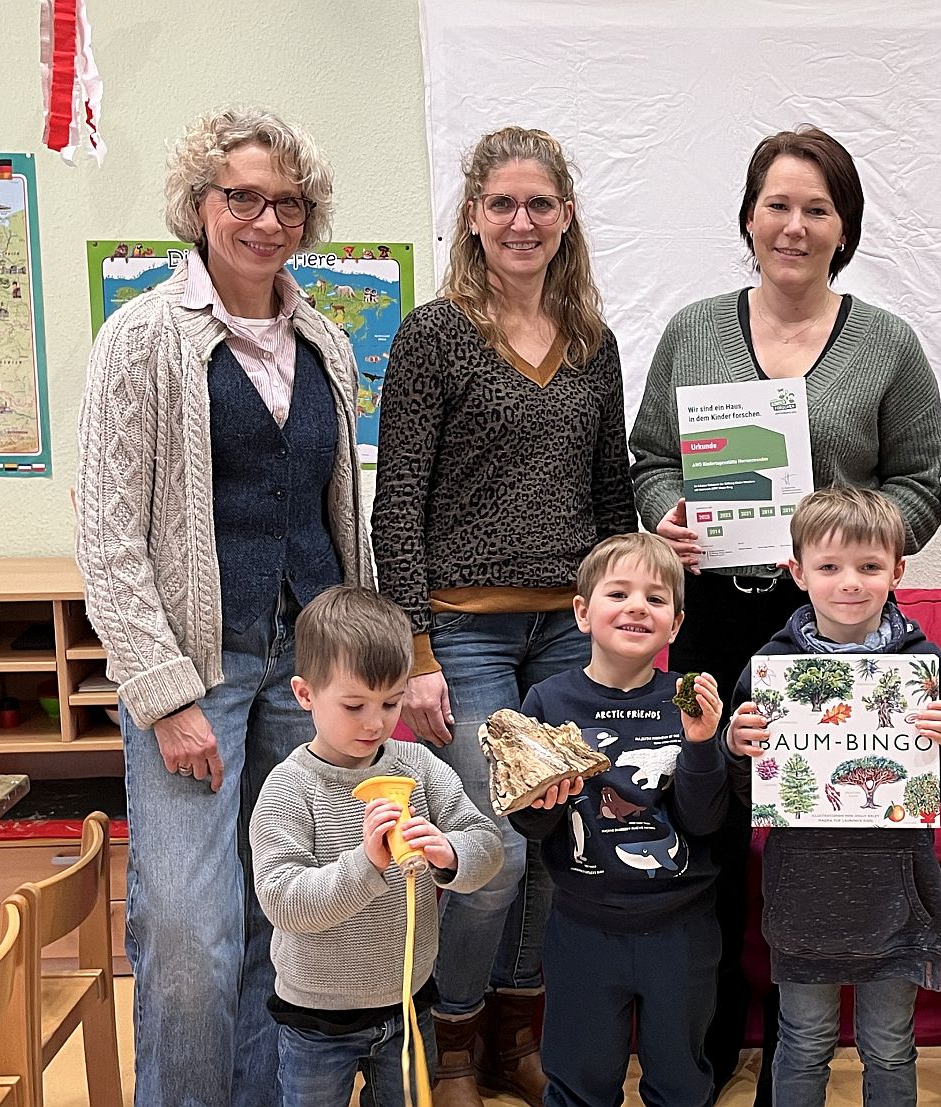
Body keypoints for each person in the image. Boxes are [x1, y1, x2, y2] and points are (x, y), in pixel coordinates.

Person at [629, 126, 941, 1095]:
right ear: (749, 216)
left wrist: (844, 550)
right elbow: (649, 461)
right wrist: (667, 518)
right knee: (710, 827)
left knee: (834, 824)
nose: (795, 225)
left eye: (817, 207)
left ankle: (834, 1033)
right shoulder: (693, 329)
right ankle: (722, 1032)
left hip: (841, 634)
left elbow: (923, 486)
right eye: (778, 204)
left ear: (843, 226)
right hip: (720, 615)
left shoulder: (888, 342)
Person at [76, 107, 371, 1107]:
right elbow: (109, 538)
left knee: (282, 909)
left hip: (309, 671)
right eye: (239, 195)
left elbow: (341, 515)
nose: (264, 217)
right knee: (191, 930)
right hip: (194, 668)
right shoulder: (143, 340)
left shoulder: (325, 340)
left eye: (285, 200)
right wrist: (163, 695)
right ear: (197, 207)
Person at [372, 125, 635, 1106]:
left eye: (540, 205)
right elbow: (396, 501)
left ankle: (517, 1031)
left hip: (569, 629)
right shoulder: (436, 334)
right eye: (502, 205)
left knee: (561, 841)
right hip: (466, 629)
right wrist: (418, 648)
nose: (521, 223)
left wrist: (622, 624)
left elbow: (612, 501)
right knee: (486, 844)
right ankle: (453, 1032)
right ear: (474, 219)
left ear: (565, 218)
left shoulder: (595, 346)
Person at [722, 487, 941, 1105]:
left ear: (898, 570)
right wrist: (735, 748)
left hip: (895, 901)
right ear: (798, 573)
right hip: (804, 900)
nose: (851, 583)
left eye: (870, 567)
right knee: (803, 1041)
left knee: (891, 1045)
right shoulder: (768, 665)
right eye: (829, 567)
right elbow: (744, 791)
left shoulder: (933, 668)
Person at [249, 586, 504, 1107]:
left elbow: (487, 845)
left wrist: (450, 854)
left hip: (407, 1006)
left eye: (390, 703)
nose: (374, 722)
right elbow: (283, 901)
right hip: (316, 1020)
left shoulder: (419, 766)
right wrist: (366, 863)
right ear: (304, 695)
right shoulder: (289, 789)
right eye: (354, 705)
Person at [509, 533, 729, 1107]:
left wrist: (704, 745)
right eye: (618, 593)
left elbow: (705, 822)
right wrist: (543, 800)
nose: (637, 607)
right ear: (582, 612)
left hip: (682, 929)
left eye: (656, 600)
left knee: (682, 1082)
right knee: (579, 1081)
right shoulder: (546, 702)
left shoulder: (688, 700)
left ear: (676, 625)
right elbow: (530, 829)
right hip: (583, 927)